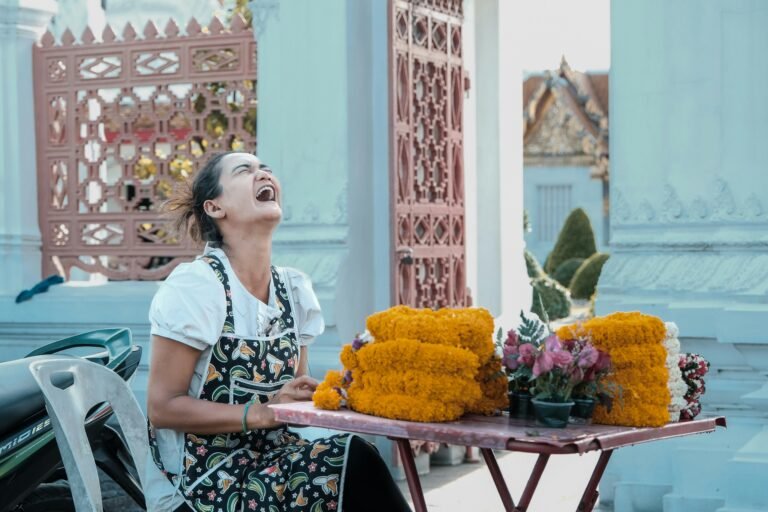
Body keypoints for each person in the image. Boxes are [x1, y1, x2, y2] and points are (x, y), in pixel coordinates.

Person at [144, 152, 411, 512]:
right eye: (245, 170)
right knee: (350, 461)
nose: (263, 174)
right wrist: (260, 413)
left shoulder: (292, 289)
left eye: (265, 169)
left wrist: (326, 395)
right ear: (215, 207)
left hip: (274, 458)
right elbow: (162, 408)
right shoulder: (196, 286)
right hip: (202, 483)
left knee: (356, 451)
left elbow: (296, 393)